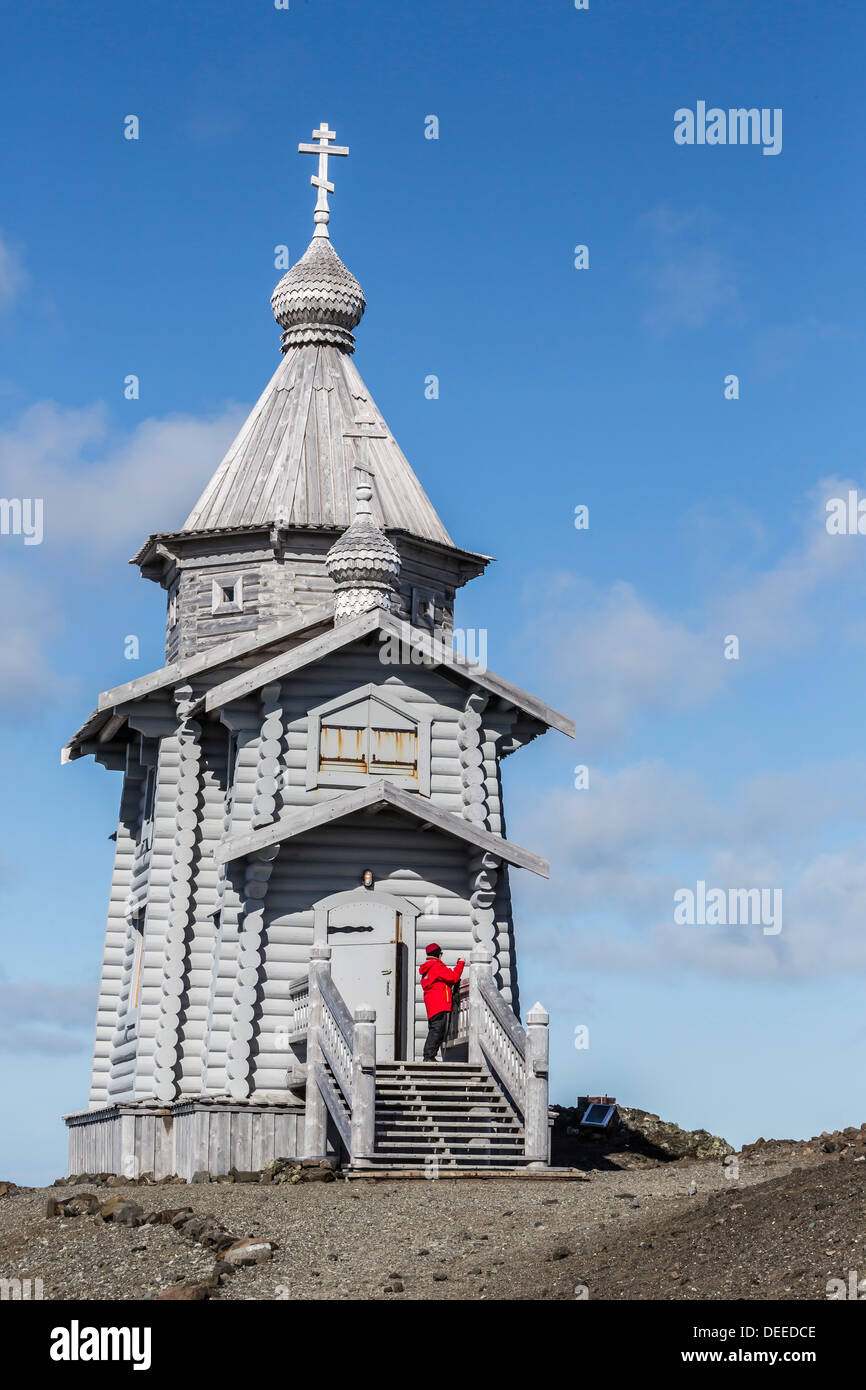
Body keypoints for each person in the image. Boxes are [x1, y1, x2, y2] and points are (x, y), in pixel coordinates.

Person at [419, 942, 465, 1062]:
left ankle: (429, 1056)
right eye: (441, 953)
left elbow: (444, 981)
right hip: (440, 1004)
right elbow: (453, 977)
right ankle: (428, 1057)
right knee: (437, 1030)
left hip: (433, 1005)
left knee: (435, 1029)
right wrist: (461, 963)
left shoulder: (428, 968)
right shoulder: (436, 966)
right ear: (438, 954)